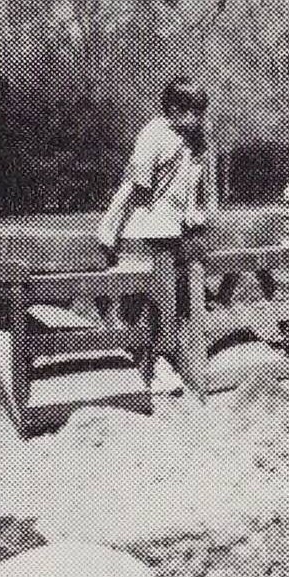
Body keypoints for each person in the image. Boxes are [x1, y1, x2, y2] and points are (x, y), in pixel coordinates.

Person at [96, 77, 217, 390]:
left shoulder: (193, 141)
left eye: (200, 112)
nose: (197, 119)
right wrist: (110, 223)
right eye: (192, 112)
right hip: (145, 230)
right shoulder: (154, 134)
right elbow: (133, 184)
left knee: (170, 296)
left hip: (172, 230)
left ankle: (162, 358)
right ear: (173, 109)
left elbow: (191, 185)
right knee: (149, 297)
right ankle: (151, 362)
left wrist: (193, 211)